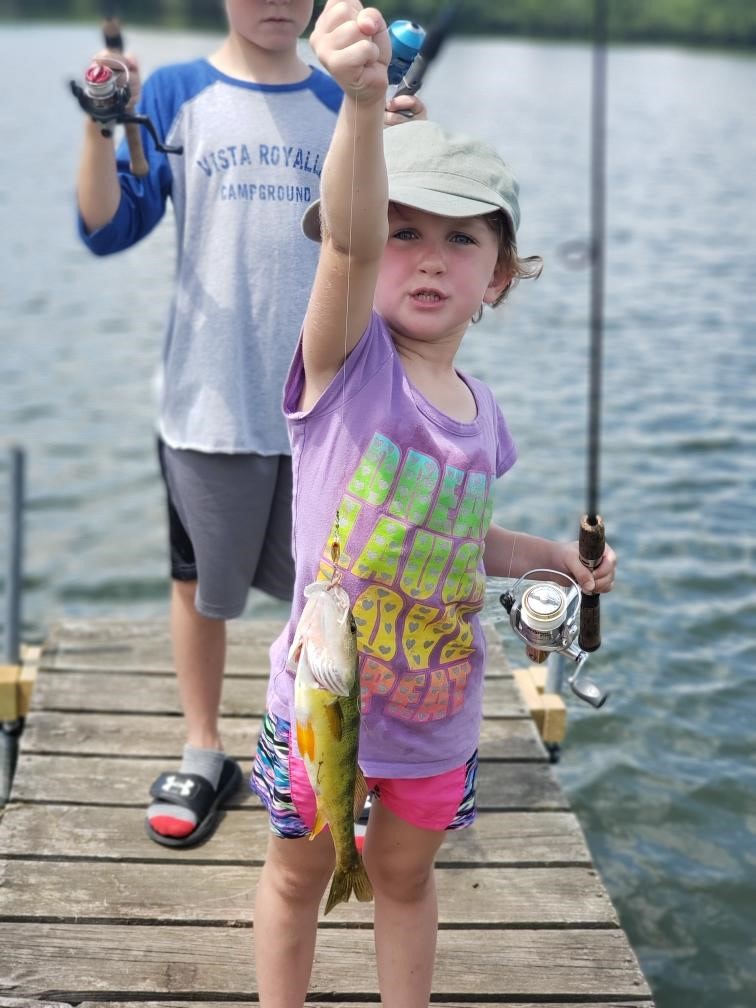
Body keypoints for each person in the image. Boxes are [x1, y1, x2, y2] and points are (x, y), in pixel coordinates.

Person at [249, 1, 618, 1005]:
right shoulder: (345, 371)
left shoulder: (481, 415)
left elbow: (458, 538)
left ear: (498, 277)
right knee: (299, 874)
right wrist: (362, 108)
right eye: (405, 231)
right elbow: (349, 249)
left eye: (460, 239)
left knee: (405, 884)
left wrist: (550, 557)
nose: (424, 256)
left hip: (438, 717)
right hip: (323, 706)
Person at [75, 0, 423, 848]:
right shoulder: (178, 92)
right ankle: (204, 748)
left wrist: (396, 131)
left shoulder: (346, 94)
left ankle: (333, 759)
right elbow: (107, 227)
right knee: (199, 581)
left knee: (342, 592)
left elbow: (401, 235)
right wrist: (101, 124)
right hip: (210, 400)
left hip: (336, 405)